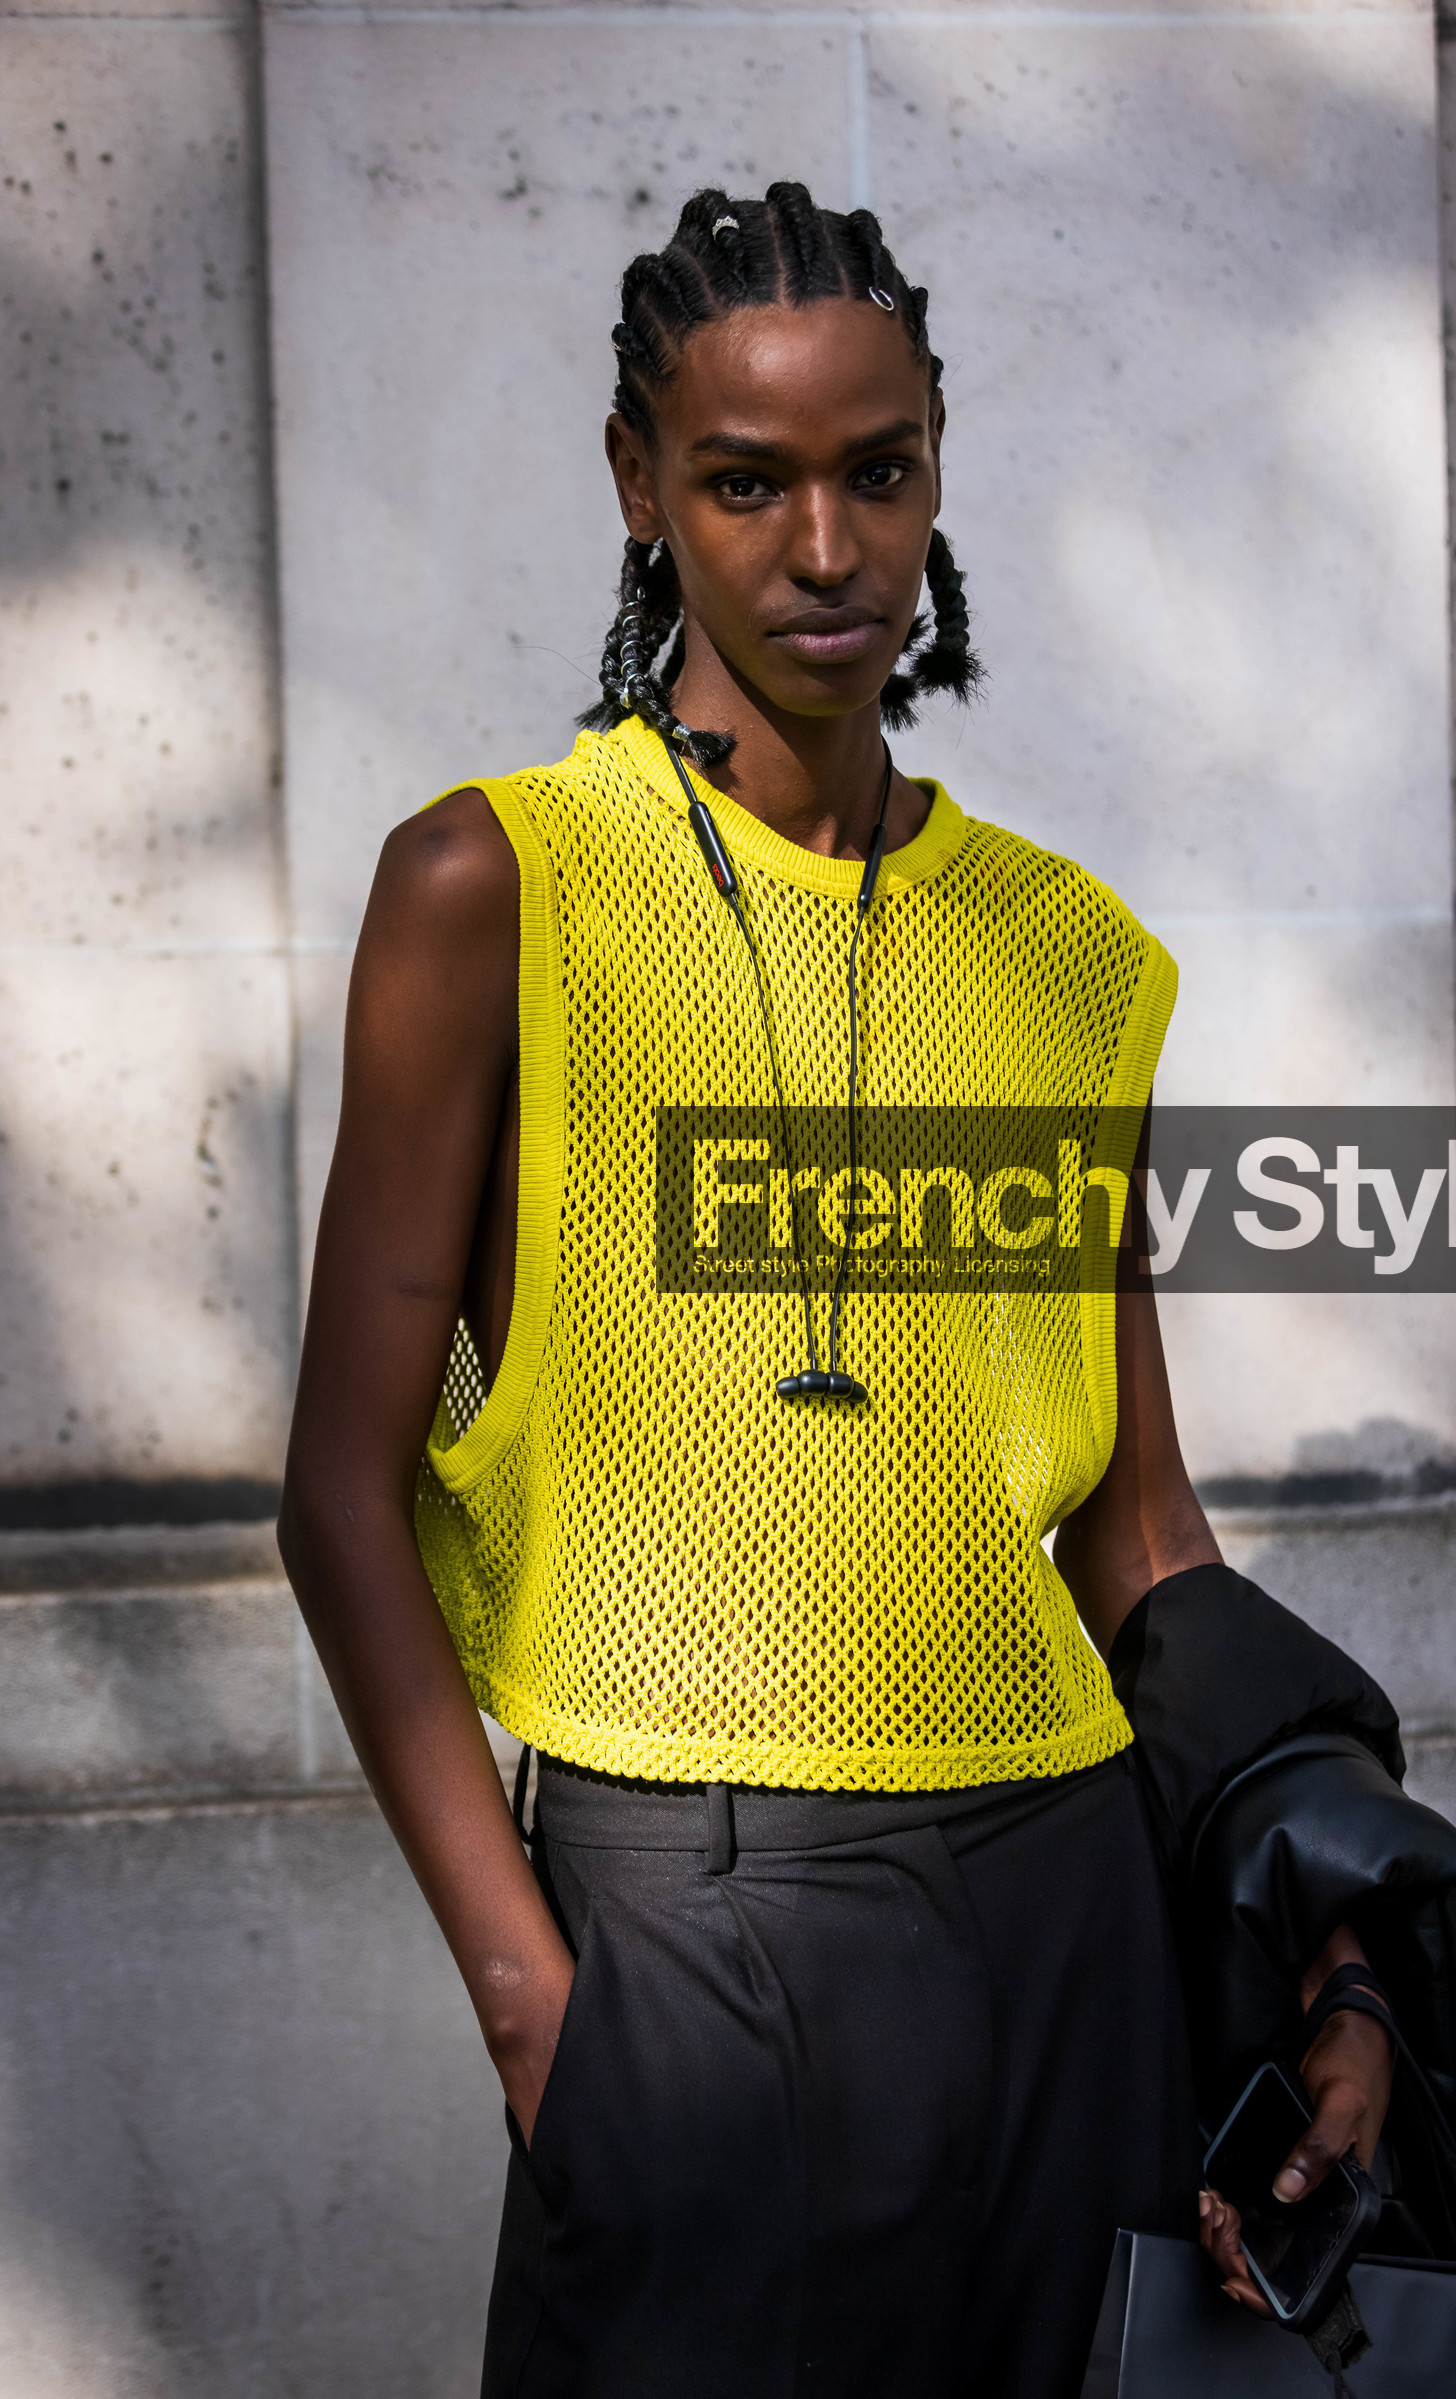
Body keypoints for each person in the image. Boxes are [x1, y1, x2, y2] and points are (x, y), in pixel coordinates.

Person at [278, 182, 1394, 2398]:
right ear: (636, 484)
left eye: (874, 472)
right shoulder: (497, 885)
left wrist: (1332, 1939)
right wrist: (536, 2010)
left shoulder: (1062, 953)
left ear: (936, 465)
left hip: (1073, 1925)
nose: (822, 549)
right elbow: (335, 1492)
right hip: (688, 1925)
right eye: (744, 480)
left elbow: (1134, 1523)